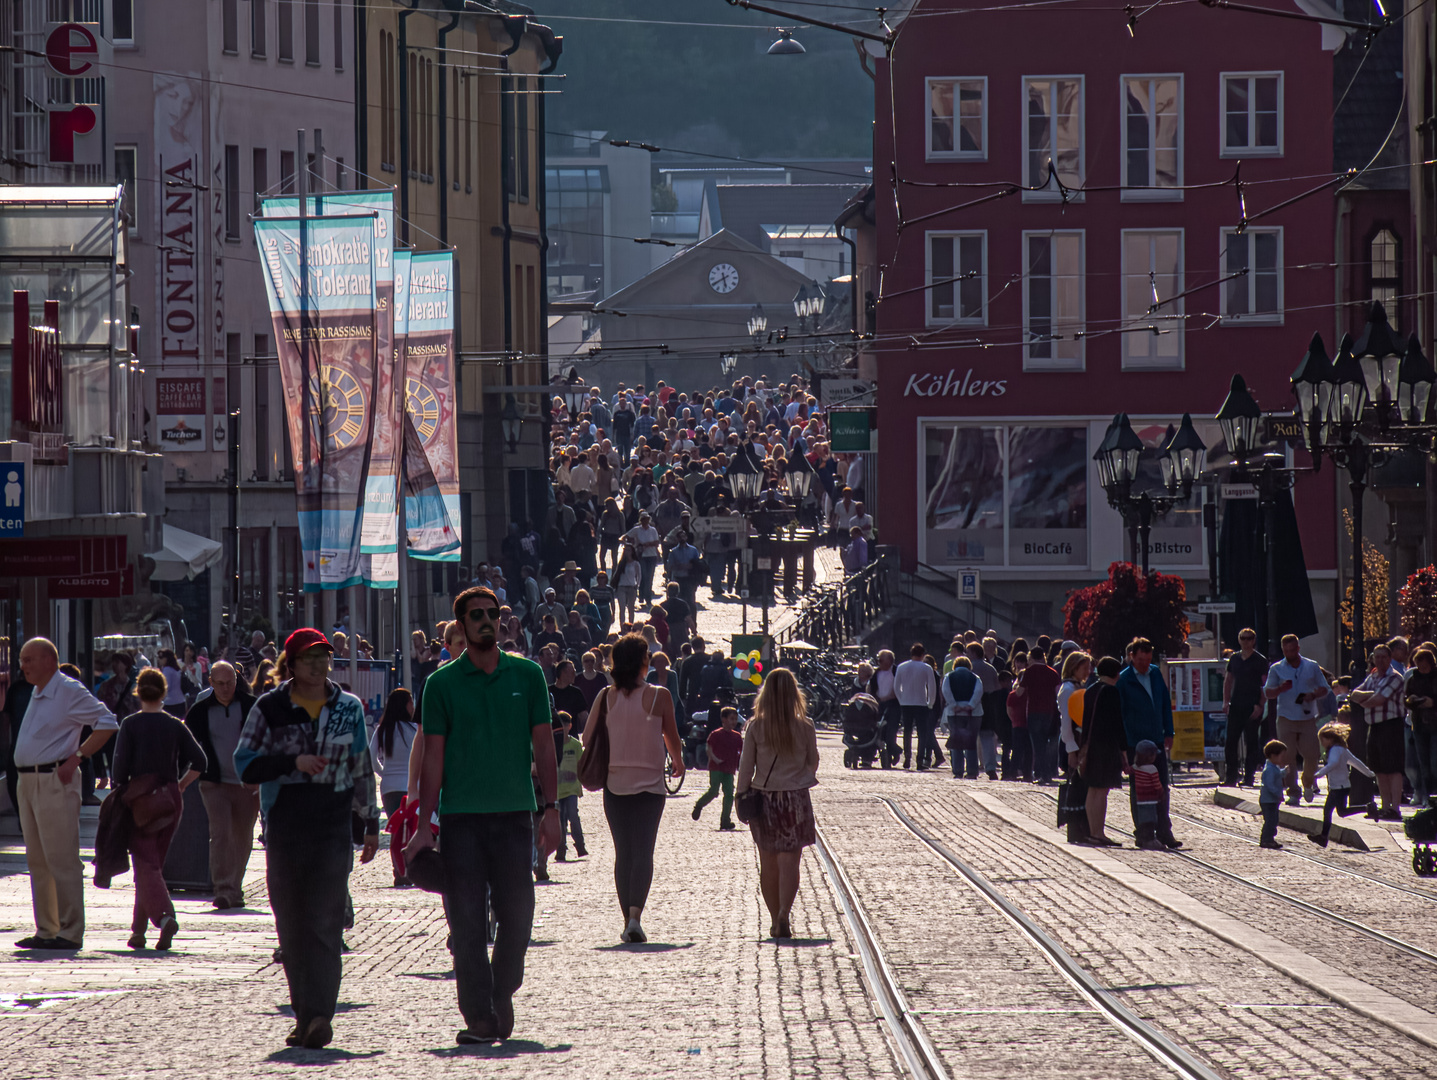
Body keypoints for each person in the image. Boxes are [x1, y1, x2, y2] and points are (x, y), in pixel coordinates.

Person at [404, 587, 558, 1045]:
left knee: (520, 913)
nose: (487, 621)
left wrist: (550, 809)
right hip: (461, 820)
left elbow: (545, 746)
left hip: (515, 814)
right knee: (466, 922)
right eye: (477, 616)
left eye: (493, 614)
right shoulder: (442, 684)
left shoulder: (528, 675)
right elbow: (433, 758)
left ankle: (502, 987)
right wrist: (421, 827)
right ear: (461, 626)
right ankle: (479, 1018)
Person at [235, 628, 379, 1050]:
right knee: (292, 923)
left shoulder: (347, 708)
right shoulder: (270, 707)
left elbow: (360, 767)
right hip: (286, 823)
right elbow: (245, 764)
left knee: (325, 921)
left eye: (324, 657)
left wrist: (370, 822)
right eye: (309, 658)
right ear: (291, 664)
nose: (318, 665)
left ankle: (319, 1014)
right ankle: (305, 1012)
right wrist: (291, 761)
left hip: (332, 823)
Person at [12, 637, 118, 951]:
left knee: (61, 858)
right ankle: (47, 929)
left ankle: (70, 931)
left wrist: (78, 757)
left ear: (49, 660)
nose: (23, 665)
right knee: (38, 859)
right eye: (22, 659)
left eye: (29, 659)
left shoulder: (68, 690)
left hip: (54, 780)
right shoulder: (37, 691)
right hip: (28, 782)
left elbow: (107, 722)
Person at [585, 633, 684, 944]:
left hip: (615, 784)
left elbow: (588, 738)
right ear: (643, 663)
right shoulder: (659, 696)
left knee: (623, 853)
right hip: (651, 786)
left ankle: (627, 917)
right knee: (643, 851)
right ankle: (635, 916)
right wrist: (678, 761)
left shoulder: (605, 696)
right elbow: (671, 736)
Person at [112, 667, 206, 950]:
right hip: (170, 801)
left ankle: (165, 918)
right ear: (165, 692)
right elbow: (201, 762)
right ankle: (138, 932)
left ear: (137, 692)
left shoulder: (130, 724)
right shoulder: (176, 725)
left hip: (141, 801)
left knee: (145, 865)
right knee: (152, 866)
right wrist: (180, 785)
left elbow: (118, 773)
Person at [736, 669, 819, 940]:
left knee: (768, 861)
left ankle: (774, 918)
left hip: (765, 797)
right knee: (790, 861)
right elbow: (812, 762)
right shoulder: (805, 726)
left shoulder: (756, 726)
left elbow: (746, 767)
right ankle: (785, 911)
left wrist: (739, 796)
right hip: (795, 798)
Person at [183, 661, 259, 910]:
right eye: (220, 684)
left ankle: (235, 887)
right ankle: (224, 889)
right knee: (220, 834)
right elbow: (187, 746)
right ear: (211, 683)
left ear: (236, 681)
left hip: (247, 784)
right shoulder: (200, 711)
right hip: (214, 783)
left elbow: (267, 740)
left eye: (230, 683)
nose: (226, 688)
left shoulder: (252, 707)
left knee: (242, 837)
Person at [1116, 638, 1181, 849]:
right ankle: (1144, 832)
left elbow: (1164, 702)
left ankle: (1164, 831)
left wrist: (1168, 731)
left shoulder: (1154, 673)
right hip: (1136, 742)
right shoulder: (1124, 680)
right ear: (1132, 657)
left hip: (1156, 738)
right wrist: (1124, 744)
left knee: (1161, 785)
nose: (1145, 664)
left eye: (1148, 659)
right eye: (1141, 660)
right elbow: (1121, 713)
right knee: (1141, 788)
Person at [1263, 633, 1329, 806]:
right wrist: (1279, 688)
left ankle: (1308, 783)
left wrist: (1312, 694)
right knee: (1287, 756)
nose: (1289, 653)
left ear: (1298, 648)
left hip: (1307, 716)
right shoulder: (1276, 668)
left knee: (1312, 754)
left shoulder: (1311, 666)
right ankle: (1293, 791)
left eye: (1292, 650)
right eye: (1285, 651)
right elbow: (1268, 693)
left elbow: (1325, 688)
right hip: (1285, 716)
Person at [1347, 643, 1406, 820]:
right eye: (1377, 656)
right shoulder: (1372, 677)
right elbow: (1354, 694)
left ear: (1389, 659)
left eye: (1383, 657)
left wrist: (1367, 699)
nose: (1380, 660)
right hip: (1374, 726)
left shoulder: (1395, 677)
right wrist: (1370, 697)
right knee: (1379, 769)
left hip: (1391, 726)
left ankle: (1395, 808)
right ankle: (1384, 806)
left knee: (1393, 768)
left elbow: (1378, 700)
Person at [1076, 656, 1127, 846]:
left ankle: (1092, 830)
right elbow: (1117, 724)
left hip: (1090, 747)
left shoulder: (1090, 691)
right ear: (1115, 673)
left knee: (1092, 789)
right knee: (1102, 791)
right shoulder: (1112, 692)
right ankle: (1099, 832)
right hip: (1107, 747)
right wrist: (1124, 751)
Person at [1308, 718, 1375, 847]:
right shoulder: (1342, 749)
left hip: (1338, 787)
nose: (1322, 743)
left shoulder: (1335, 750)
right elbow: (1356, 762)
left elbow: (1332, 764)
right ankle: (1367, 807)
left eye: (1323, 740)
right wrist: (1369, 773)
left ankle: (1323, 837)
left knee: (1328, 811)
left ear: (1330, 739)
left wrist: (1319, 774)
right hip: (1342, 786)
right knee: (1342, 812)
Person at [1222, 629, 1268, 787]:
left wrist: (1261, 705)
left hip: (1252, 706)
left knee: (1252, 742)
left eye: (1249, 638)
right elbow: (1228, 681)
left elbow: (1265, 685)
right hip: (1236, 705)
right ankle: (1230, 777)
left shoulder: (1260, 660)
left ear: (1254, 640)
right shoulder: (1234, 659)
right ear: (1239, 640)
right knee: (1231, 742)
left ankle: (1249, 777)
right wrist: (1225, 701)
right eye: (1243, 638)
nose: (1246, 641)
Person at [370, 689, 417, 831]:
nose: (413, 707)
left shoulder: (382, 730)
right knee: (412, 830)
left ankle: (395, 853)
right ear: (406, 705)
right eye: (411, 703)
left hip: (389, 787)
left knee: (396, 830)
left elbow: (371, 758)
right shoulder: (416, 730)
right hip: (412, 786)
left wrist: (384, 773)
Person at [692, 706, 742, 830]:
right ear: (723, 719)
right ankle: (699, 805)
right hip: (716, 768)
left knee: (729, 794)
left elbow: (742, 752)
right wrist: (715, 759)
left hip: (729, 769)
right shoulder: (715, 734)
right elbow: (709, 749)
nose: (734, 722)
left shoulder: (737, 737)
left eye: (735, 719)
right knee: (714, 791)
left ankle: (725, 820)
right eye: (731, 719)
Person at [1018, 645, 1062, 785]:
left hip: (1033, 711)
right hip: (1049, 712)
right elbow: (1058, 693)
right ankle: (1046, 773)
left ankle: (1044, 774)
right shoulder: (1052, 672)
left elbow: (1019, 693)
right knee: (1046, 744)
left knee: (1038, 745)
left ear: (1031, 657)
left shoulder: (1028, 672)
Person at [1404, 646, 1437, 810]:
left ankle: (1433, 795)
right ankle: (1426, 796)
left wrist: (1433, 702)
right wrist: (1412, 700)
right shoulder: (1413, 679)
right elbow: (1406, 698)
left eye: (1424, 666)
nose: (1422, 669)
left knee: (1434, 762)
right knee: (1423, 763)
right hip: (1418, 725)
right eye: (1419, 666)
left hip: (1434, 724)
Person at [895, 643, 937, 770]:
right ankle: (920, 758)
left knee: (907, 730)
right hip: (921, 703)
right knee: (922, 732)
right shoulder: (926, 668)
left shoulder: (901, 667)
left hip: (906, 702)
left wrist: (901, 699)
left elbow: (896, 686)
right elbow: (932, 687)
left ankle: (907, 757)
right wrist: (931, 702)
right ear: (922, 655)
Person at [554, 712, 586, 862]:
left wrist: (580, 786)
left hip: (572, 788)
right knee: (560, 822)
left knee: (573, 815)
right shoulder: (553, 745)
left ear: (570, 726)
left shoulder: (575, 745)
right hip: (557, 790)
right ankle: (560, 850)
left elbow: (581, 766)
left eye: (565, 726)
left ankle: (580, 845)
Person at [1129, 741, 1165, 851]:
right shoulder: (1152, 769)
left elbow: (1127, 771)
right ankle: (1149, 840)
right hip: (1150, 800)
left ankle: (1140, 838)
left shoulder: (1136, 767)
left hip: (1140, 800)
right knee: (1150, 820)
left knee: (1142, 820)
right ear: (1150, 757)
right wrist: (1161, 793)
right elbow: (1156, 784)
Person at [1258, 740, 1289, 849]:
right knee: (1270, 820)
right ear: (1273, 755)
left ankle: (1269, 839)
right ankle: (1266, 839)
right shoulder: (1269, 770)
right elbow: (1269, 785)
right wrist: (1277, 794)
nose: (1283, 759)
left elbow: (1277, 775)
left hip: (1272, 800)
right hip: (1268, 800)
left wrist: (1284, 772)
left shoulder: (1274, 768)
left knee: (1273, 820)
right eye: (1281, 756)